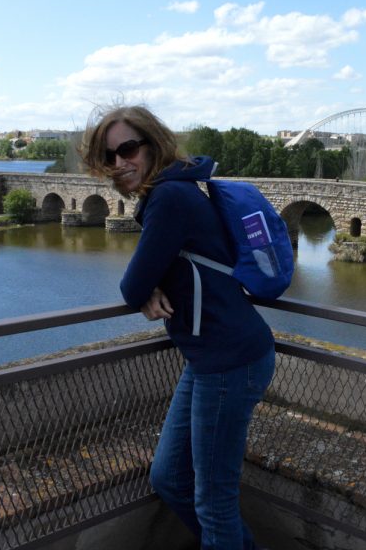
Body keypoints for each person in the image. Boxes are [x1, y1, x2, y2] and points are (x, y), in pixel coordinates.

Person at [81, 104, 275, 550]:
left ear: (154, 144)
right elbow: (152, 276)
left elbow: (132, 286)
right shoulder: (180, 189)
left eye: (127, 149)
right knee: (169, 478)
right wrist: (150, 285)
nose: (119, 164)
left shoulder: (169, 196)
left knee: (214, 503)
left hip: (229, 361)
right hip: (211, 360)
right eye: (109, 157)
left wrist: (143, 288)